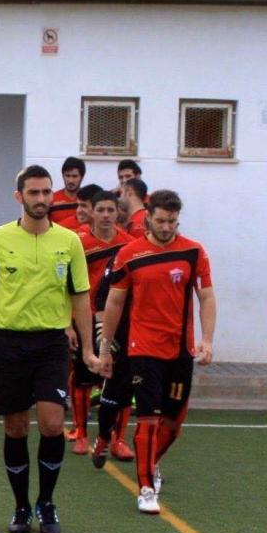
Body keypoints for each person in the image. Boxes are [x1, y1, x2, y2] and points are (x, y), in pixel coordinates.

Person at [0, 164, 97, 533]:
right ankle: (22, 505)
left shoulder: (69, 242)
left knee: (53, 423)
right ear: (19, 197)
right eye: (33, 192)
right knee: (16, 427)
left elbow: (81, 298)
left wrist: (89, 350)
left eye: (46, 192)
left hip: (51, 344)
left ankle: (47, 501)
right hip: (7, 344)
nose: (41, 199)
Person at [98, 189, 216, 514]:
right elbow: (115, 302)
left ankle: (152, 462)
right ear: (148, 217)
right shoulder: (129, 254)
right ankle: (146, 488)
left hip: (180, 350)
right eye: (161, 220)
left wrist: (207, 340)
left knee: (173, 422)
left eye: (172, 221)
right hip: (143, 348)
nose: (166, 227)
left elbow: (206, 296)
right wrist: (105, 348)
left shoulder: (193, 252)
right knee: (148, 418)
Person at [69, 191, 135, 458]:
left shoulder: (130, 245)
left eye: (111, 210)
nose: (106, 215)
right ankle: (81, 434)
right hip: (85, 319)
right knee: (83, 378)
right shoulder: (78, 244)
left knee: (122, 381)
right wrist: (68, 325)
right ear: (91, 212)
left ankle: (118, 439)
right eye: (101, 210)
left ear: (118, 213)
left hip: (119, 322)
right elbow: (66, 286)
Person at [49, 156, 86, 225]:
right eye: (67, 176)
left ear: (82, 177)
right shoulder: (51, 199)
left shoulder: (88, 200)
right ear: (63, 176)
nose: (70, 180)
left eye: (74, 176)